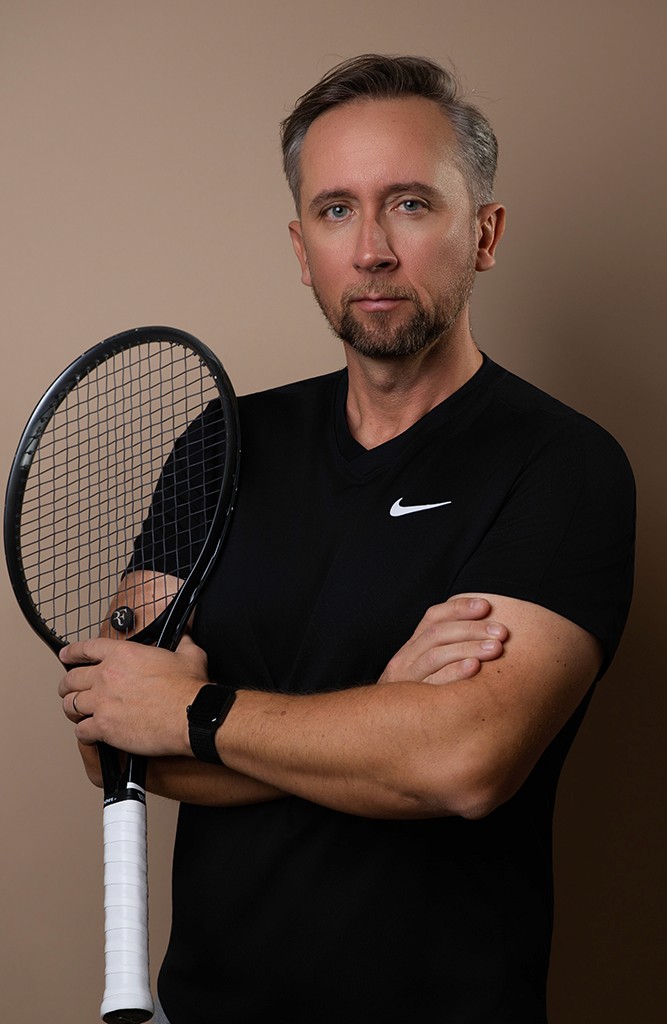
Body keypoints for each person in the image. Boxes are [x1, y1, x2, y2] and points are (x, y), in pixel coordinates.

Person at [59, 54, 635, 1024]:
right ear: (299, 245)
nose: (369, 248)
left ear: (483, 232)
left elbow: (461, 764)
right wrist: (384, 715)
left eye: (409, 204)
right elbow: (114, 734)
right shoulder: (222, 444)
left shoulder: (562, 465)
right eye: (334, 210)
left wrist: (193, 711)